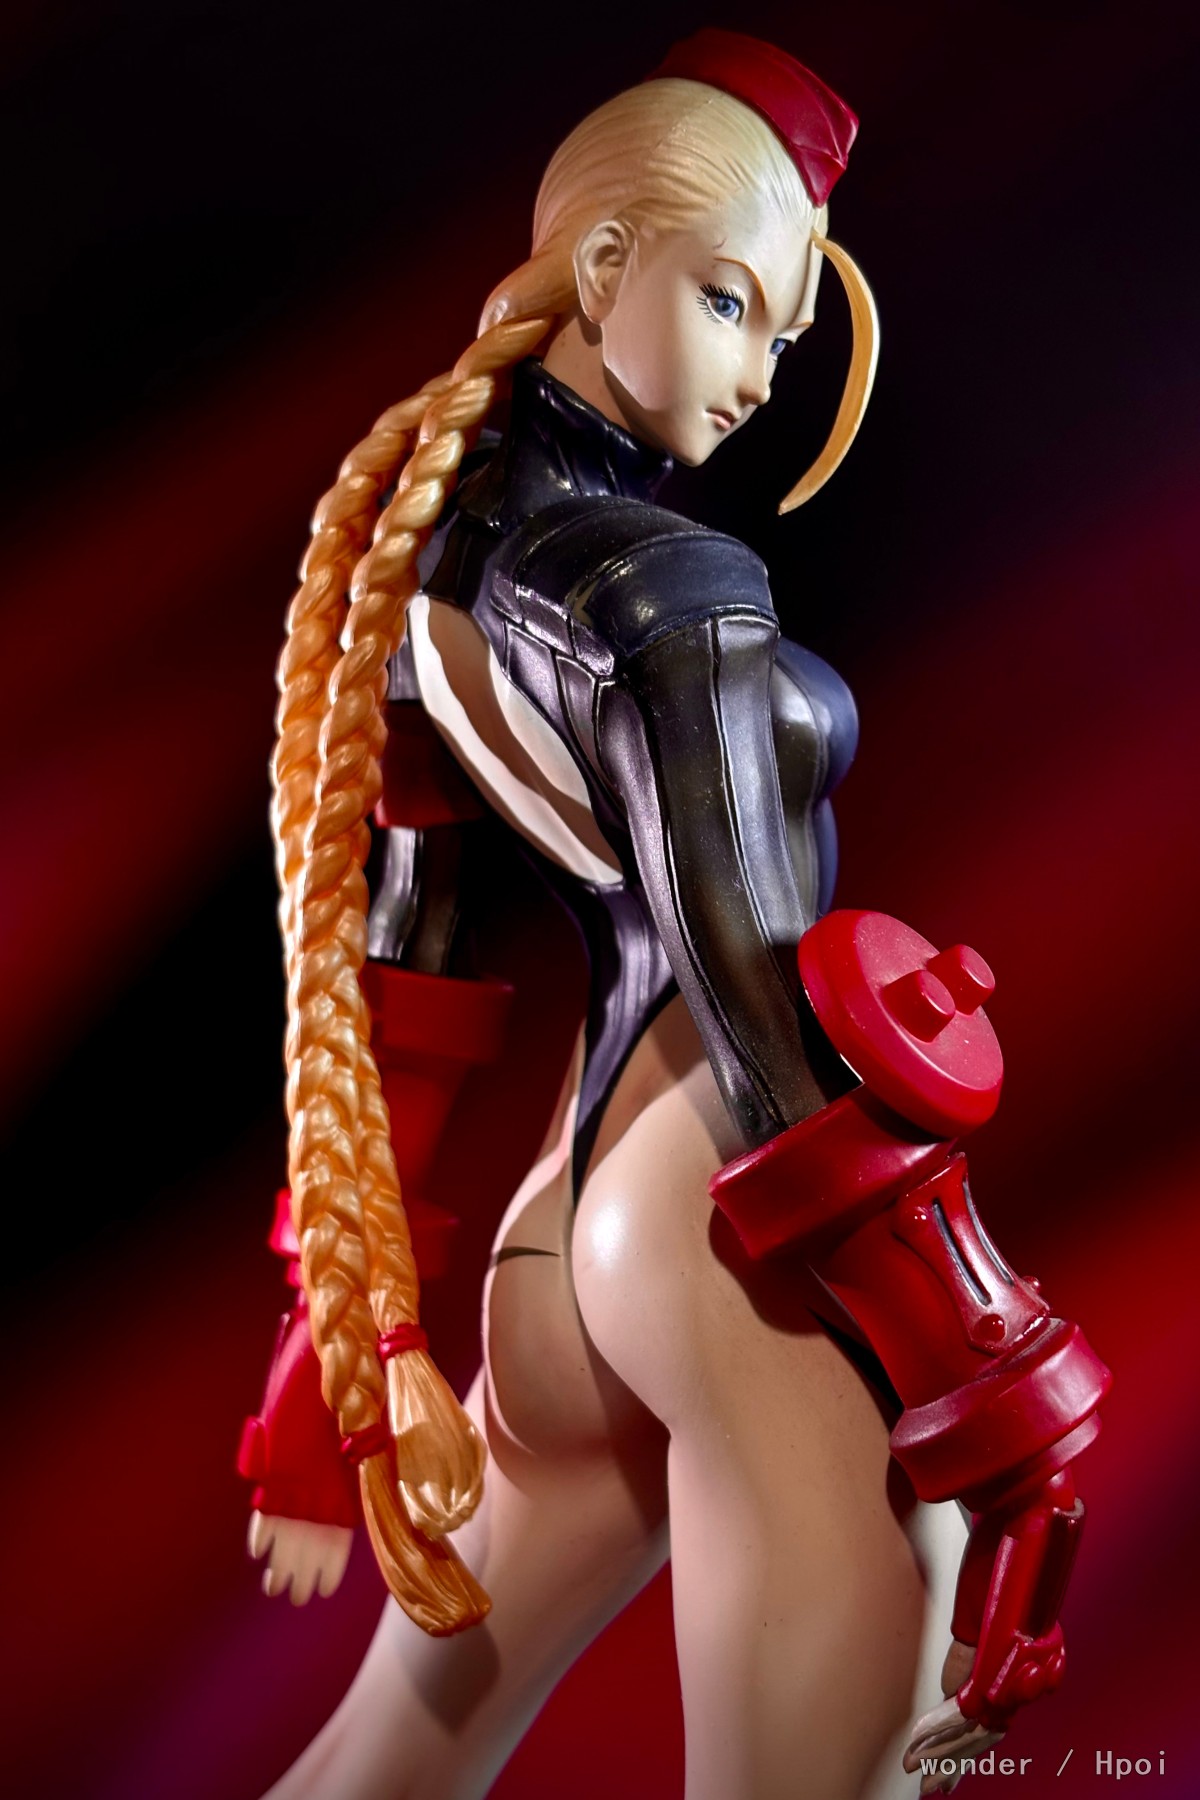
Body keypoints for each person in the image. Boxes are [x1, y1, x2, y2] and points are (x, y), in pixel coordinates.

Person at [238, 30, 1108, 1799]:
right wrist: (1002, 1400)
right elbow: (771, 1004)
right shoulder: (668, 584)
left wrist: (330, 1381)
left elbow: (395, 998)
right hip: (723, 1221)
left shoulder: (441, 552)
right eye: (728, 303)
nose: (760, 377)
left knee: (369, 1774)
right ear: (605, 265)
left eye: (781, 338)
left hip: (569, 1241)